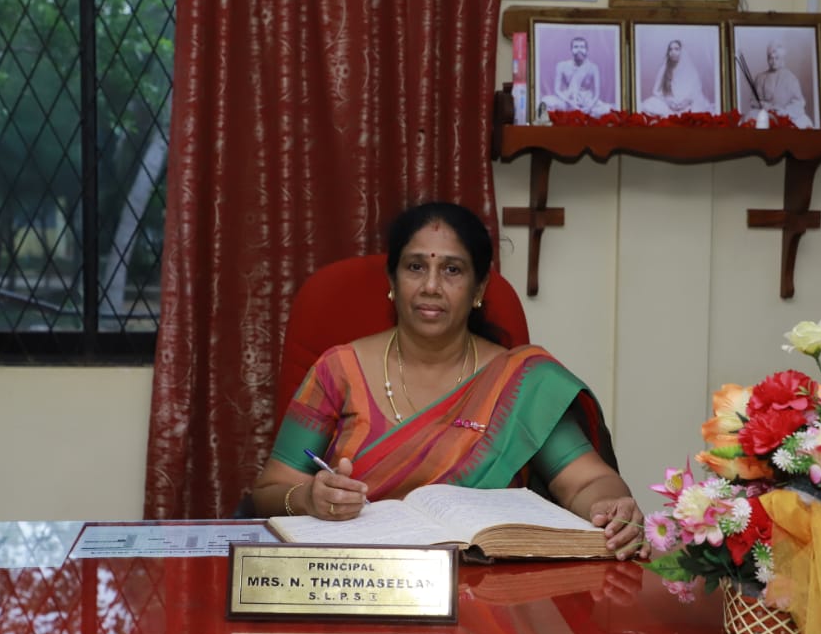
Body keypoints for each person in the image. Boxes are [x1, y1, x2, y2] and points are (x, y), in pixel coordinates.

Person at [252, 202, 647, 560]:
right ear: (392, 280)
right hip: (361, 579)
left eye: (452, 270)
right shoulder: (338, 370)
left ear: (479, 289)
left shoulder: (519, 383)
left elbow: (588, 482)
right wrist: (308, 498)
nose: (430, 286)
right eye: (415, 267)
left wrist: (610, 506)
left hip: (488, 589)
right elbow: (269, 491)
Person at [540, 36, 613, 117]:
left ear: (587, 50)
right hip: (568, 99)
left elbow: (597, 94)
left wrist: (589, 106)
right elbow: (557, 90)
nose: (579, 50)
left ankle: (584, 112)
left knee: (608, 110)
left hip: (586, 100)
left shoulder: (593, 67)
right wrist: (570, 102)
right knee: (544, 102)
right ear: (571, 50)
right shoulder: (561, 66)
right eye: (576, 47)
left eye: (582, 47)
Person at [749, 40, 814, 128]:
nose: (773, 61)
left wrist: (783, 112)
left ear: (782, 59)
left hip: (784, 114)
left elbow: (799, 103)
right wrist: (762, 104)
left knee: (803, 123)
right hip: (765, 115)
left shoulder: (791, 78)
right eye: (770, 58)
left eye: (777, 58)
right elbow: (754, 100)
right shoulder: (760, 78)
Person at [639, 39, 710, 116]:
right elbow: (657, 91)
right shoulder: (664, 68)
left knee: (699, 102)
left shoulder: (690, 69)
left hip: (686, 104)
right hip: (669, 104)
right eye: (670, 49)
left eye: (676, 49)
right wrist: (668, 102)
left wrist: (685, 102)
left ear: (682, 51)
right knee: (650, 103)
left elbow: (696, 90)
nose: (673, 52)